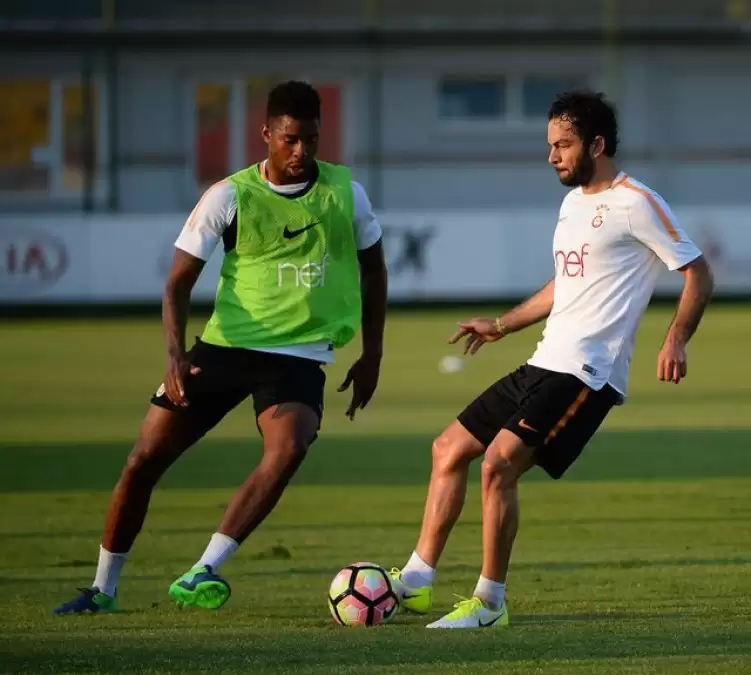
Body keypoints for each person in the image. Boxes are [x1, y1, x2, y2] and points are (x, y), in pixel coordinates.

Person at [54, 80, 388, 615]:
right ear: (266, 134)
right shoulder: (228, 196)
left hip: (299, 355)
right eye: (290, 139)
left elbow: (375, 271)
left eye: (311, 139)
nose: (301, 151)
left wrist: (373, 355)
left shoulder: (347, 193)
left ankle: (203, 568)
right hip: (225, 348)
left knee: (289, 449)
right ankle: (102, 589)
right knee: (142, 460)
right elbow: (177, 285)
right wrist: (174, 357)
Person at [389, 90, 714, 628]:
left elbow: (697, 271)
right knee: (447, 449)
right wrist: (501, 326)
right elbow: (564, 284)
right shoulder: (572, 204)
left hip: (588, 372)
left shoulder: (637, 202)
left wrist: (676, 337)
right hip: (545, 361)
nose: (551, 156)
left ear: (597, 144)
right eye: (550, 145)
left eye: (563, 145)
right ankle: (417, 582)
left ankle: (489, 604)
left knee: (498, 465)